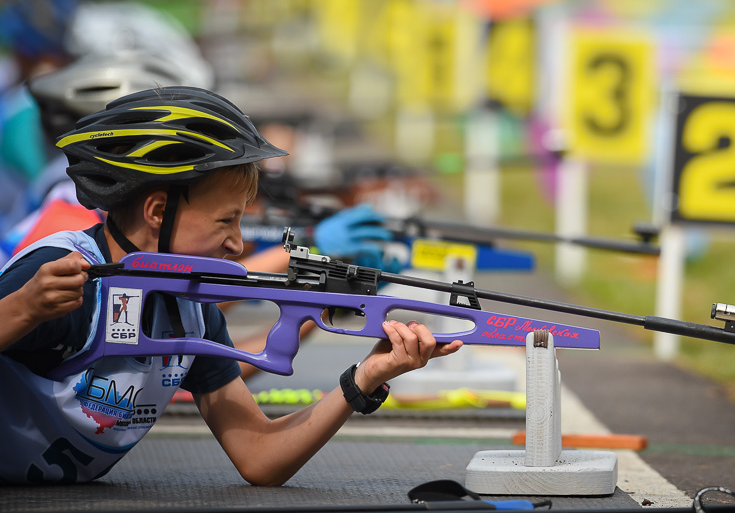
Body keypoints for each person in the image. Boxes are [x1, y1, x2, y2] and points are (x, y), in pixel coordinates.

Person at [0, 86, 462, 485]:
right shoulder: (58, 275)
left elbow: (259, 456)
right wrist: (23, 307)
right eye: (227, 220)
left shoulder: (192, 308)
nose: (238, 243)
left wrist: (365, 378)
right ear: (158, 212)